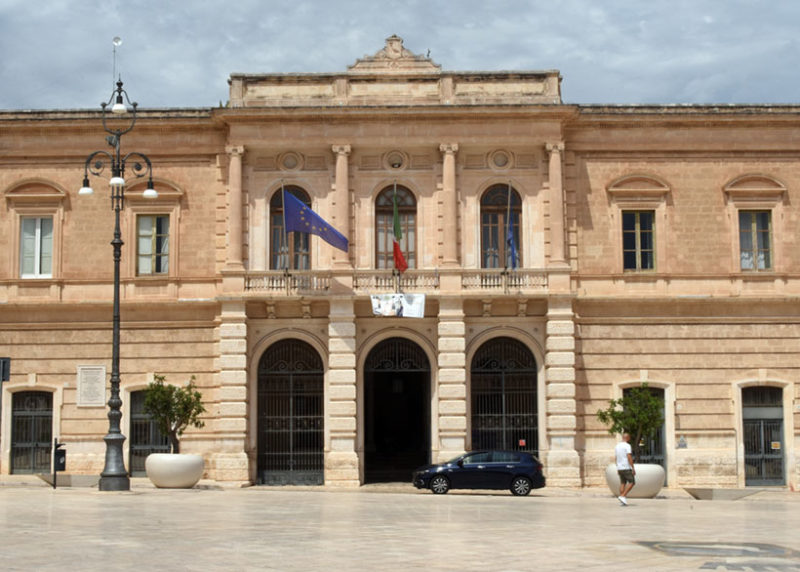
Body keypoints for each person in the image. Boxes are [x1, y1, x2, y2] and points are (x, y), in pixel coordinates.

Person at [615, 432, 635, 505]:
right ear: (627, 438)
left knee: (623, 483)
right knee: (632, 482)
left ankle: (622, 500)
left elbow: (616, 457)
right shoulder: (627, 446)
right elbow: (629, 457)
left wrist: (617, 467)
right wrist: (633, 467)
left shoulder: (617, 446)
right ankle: (623, 496)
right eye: (629, 437)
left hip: (620, 467)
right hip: (626, 467)